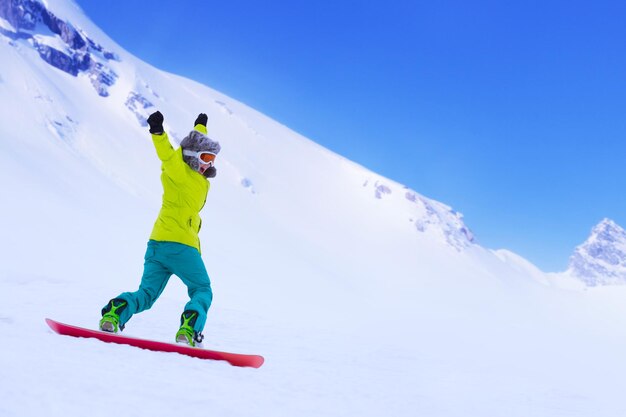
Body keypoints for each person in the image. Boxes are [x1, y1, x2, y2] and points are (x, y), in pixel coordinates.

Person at [99, 110, 221, 347]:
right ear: (194, 156)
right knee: (202, 289)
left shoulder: (188, 170)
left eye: (212, 160)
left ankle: (114, 313)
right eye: (206, 158)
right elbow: (168, 155)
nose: (209, 164)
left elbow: (191, 143)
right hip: (182, 247)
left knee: (146, 295)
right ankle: (189, 329)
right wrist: (158, 132)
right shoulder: (181, 172)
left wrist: (199, 126)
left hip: (156, 246)